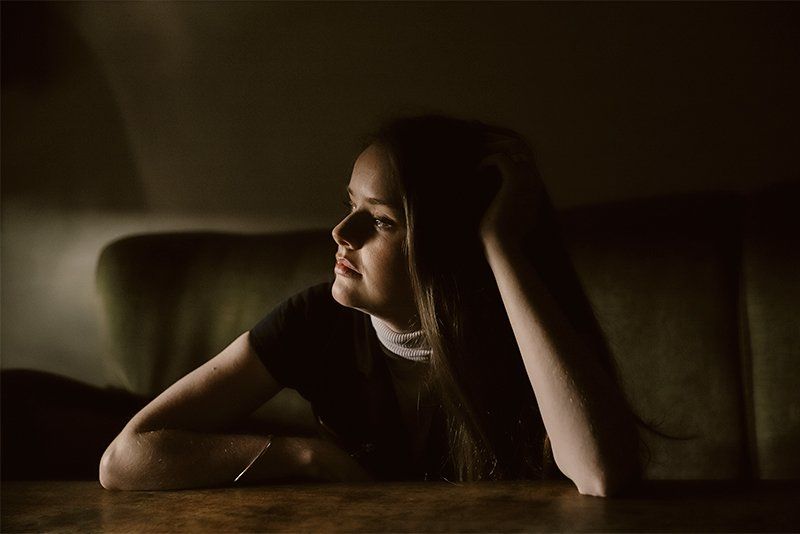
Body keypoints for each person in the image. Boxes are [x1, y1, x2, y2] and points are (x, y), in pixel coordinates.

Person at [99, 114, 642, 496]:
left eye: (381, 220)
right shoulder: (315, 321)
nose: (341, 231)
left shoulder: (519, 329)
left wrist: (499, 243)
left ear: (451, 247)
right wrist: (306, 457)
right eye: (350, 204)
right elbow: (125, 459)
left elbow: (601, 475)